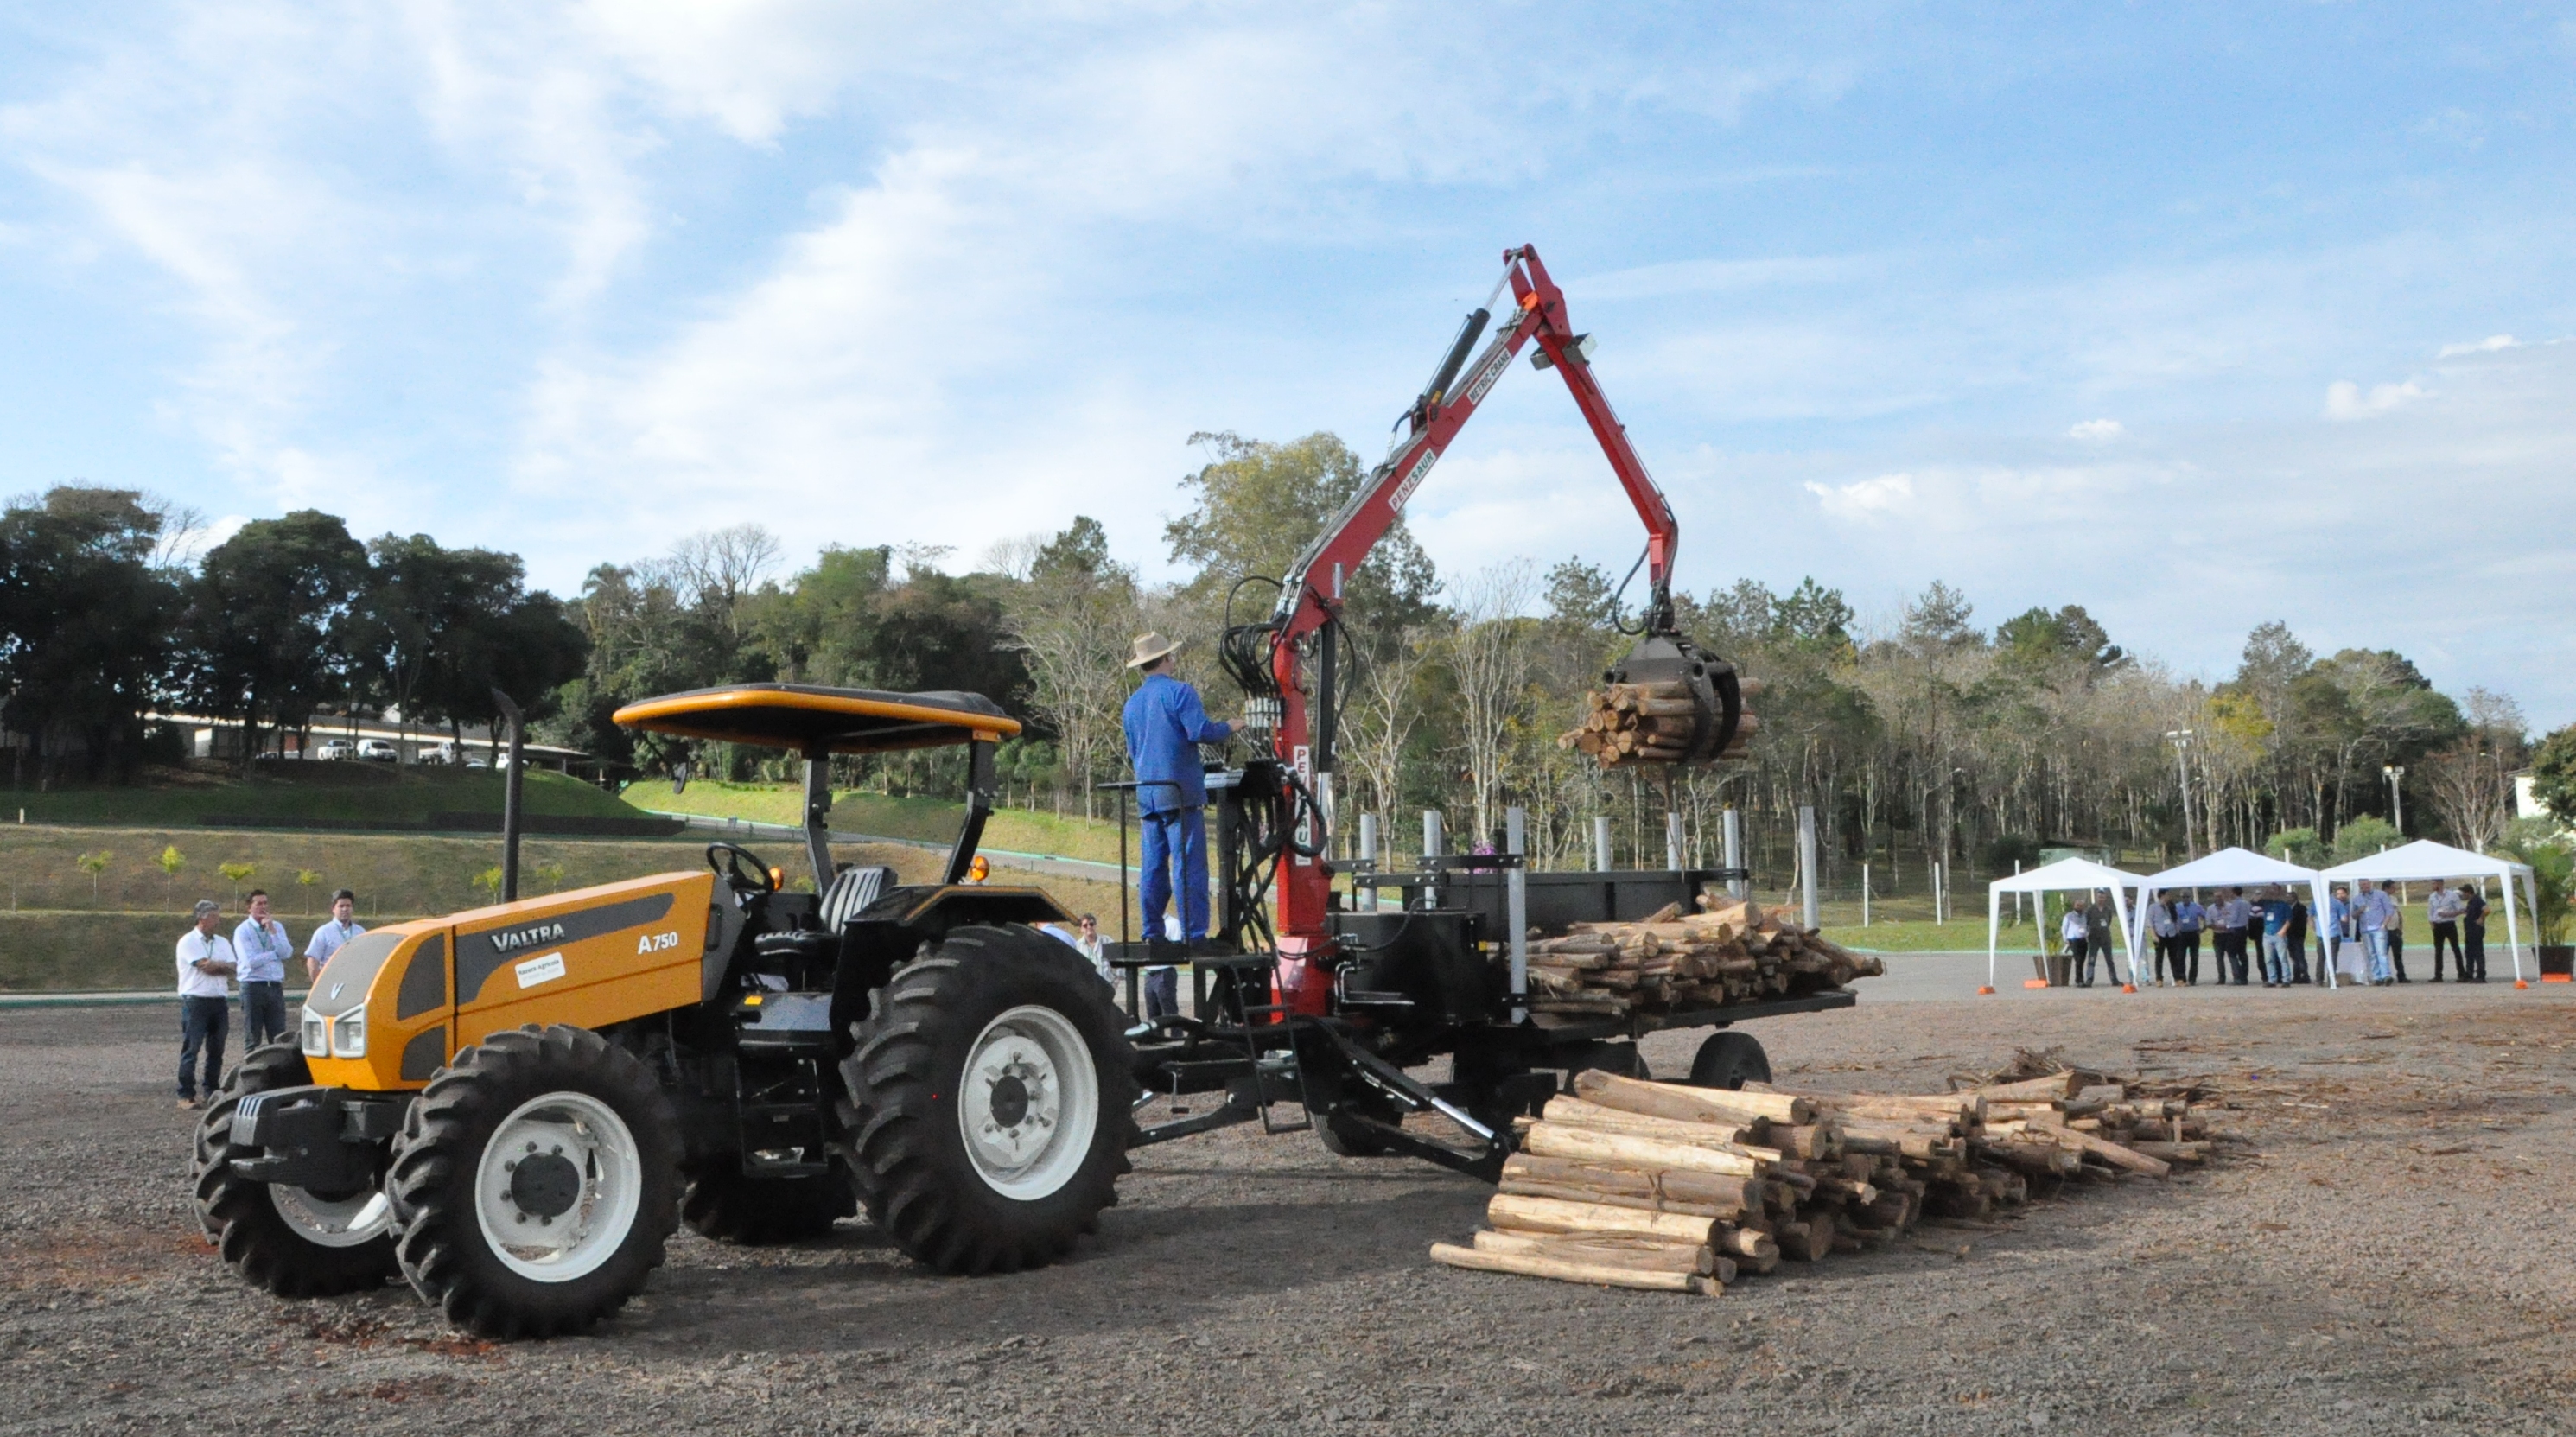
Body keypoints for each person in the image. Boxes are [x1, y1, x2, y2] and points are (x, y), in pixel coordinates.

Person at [1121, 631, 1231, 973]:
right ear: (1167, 659)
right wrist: (1231, 725)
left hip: (1147, 791)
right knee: (1188, 865)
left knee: (1153, 865)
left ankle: (1152, 931)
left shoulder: (1131, 704)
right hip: (1181, 792)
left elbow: (1133, 750)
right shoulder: (1180, 692)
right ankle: (1194, 934)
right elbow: (1201, 731)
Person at [175, 900, 237, 1109]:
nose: (218, 921)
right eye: (214, 917)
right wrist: (219, 966)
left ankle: (211, 1091)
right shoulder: (188, 942)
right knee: (191, 1048)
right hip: (196, 1001)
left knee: (216, 1049)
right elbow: (205, 967)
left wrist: (215, 965)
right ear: (202, 918)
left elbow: (234, 966)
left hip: (219, 1001)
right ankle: (185, 1094)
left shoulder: (222, 942)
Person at [232, 889, 294, 1049]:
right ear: (249, 907)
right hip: (253, 987)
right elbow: (250, 961)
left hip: (274, 986)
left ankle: (279, 1072)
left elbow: (287, 953)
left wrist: (272, 931)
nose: (263, 907)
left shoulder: (277, 927)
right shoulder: (242, 930)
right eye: (258, 903)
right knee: (253, 1037)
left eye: (265, 903)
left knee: (279, 1037)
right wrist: (274, 954)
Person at [305, 889, 366, 982]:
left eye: (348, 906)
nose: (345, 909)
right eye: (341, 906)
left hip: (355, 983)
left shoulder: (360, 932)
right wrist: (319, 986)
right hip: (331, 983)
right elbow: (312, 961)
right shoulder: (323, 932)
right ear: (333, 909)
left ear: (352, 908)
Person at [2357, 879, 2398, 985]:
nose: (2364, 886)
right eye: (2362, 885)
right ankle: (2376, 977)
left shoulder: (2381, 895)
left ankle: (2386, 975)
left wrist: (2384, 924)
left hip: (2378, 928)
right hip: (2365, 929)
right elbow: (2353, 915)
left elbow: (2389, 910)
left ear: (2370, 884)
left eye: (2366, 884)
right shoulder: (2357, 899)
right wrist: (2358, 911)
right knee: (2371, 953)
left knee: (2381, 952)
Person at [2212, 887, 2252, 986]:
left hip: (2234, 930)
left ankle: (2238, 977)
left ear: (2234, 893)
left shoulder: (2235, 904)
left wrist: (2226, 914)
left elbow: (2234, 918)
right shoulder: (2246, 903)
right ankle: (2244, 977)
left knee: (2232, 954)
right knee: (2243, 954)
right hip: (2243, 929)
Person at [2427, 881, 2465, 982]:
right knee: (2438, 950)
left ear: (2440, 884)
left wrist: (2449, 914)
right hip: (2438, 925)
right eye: (2432, 884)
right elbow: (2430, 911)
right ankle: (2438, 975)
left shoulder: (2452, 896)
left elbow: (2460, 910)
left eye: (2434, 884)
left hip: (2449, 924)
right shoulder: (2432, 897)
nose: (2433, 885)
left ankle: (2461, 973)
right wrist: (2432, 923)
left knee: (2455, 948)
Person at [2257, 886, 2295, 987]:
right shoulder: (2266, 903)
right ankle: (2271, 979)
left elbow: (2288, 920)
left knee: (2282, 958)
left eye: (2275, 890)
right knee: (2268, 959)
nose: (2273, 892)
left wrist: (2283, 930)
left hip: (2279, 933)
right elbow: (2255, 900)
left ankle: (2286, 979)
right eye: (2272, 890)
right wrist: (2266, 892)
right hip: (2267, 934)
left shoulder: (2284, 905)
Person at [2081, 891, 2121, 987]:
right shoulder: (2090, 909)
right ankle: (2089, 979)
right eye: (2099, 897)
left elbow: (2109, 921)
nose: (2101, 899)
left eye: (2103, 897)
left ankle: (2114, 979)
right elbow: (2086, 922)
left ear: (2105, 898)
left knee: (2109, 960)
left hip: (2105, 937)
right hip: (2094, 937)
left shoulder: (2108, 909)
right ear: (2096, 897)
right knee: (2092, 959)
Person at [2146, 893, 2180, 986]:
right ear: (2162, 896)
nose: (2169, 897)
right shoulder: (2153, 907)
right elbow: (2150, 921)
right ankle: (2159, 978)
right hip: (2160, 934)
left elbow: (2176, 920)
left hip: (2172, 934)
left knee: (2174, 957)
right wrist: (2153, 935)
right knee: (2159, 957)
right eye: (2167, 895)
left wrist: (2177, 932)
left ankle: (2177, 978)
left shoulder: (2172, 906)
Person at [2173, 892, 2205, 985]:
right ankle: (2182, 978)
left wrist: (2204, 928)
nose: (2185, 899)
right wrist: (2176, 929)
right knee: (2180, 957)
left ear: (2190, 897)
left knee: (2194, 957)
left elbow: (2206, 916)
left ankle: (2192, 979)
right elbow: (2172, 918)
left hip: (2194, 933)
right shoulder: (2177, 907)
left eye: (2187, 897)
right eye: (2183, 897)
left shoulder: (2196, 906)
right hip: (2182, 934)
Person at [2459, 882, 2489, 983]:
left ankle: (2481, 974)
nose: (2462, 895)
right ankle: (2469, 973)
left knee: (2478, 952)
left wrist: (2481, 919)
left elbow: (2487, 910)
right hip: (2469, 930)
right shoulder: (2470, 902)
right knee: (2469, 952)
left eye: (2463, 892)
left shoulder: (2477, 900)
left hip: (2476, 930)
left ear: (2468, 892)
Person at [2285, 892, 2313, 984]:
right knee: (2293, 956)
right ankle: (2296, 976)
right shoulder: (2287, 908)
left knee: (2300, 956)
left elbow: (2300, 923)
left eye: (2290, 897)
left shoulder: (2301, 908)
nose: (2288, 899)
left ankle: (2305, 975)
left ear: (2295, 898)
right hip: (2289, 935)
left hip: (2298, 935)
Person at [2384, 886, 2409, 982]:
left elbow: (2398, 913)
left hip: (2395, 929)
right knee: (2383, 955)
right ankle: (2385, 975)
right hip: (2386, 930)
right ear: (2386, 888)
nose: (2394, 890)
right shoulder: (2381, 899)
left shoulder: (2394, 899)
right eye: (2392, 888)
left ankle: (2401, 975)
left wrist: (2400, 927)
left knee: (2398, 955)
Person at [2058, 905, 2088, 987]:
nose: (2079, 907)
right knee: (2078, 960)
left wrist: (2087, 934)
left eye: (2081, 905)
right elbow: (2064, 927)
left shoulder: (2085, 916)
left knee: (2082, 960)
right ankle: (2079, 980)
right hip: (2073, 940)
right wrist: (2065, 939)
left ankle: (2079, 979)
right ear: (2074, 906)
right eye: (2078, 905)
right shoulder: (2069, 916)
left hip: (2083, 939)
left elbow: (2087, 926)